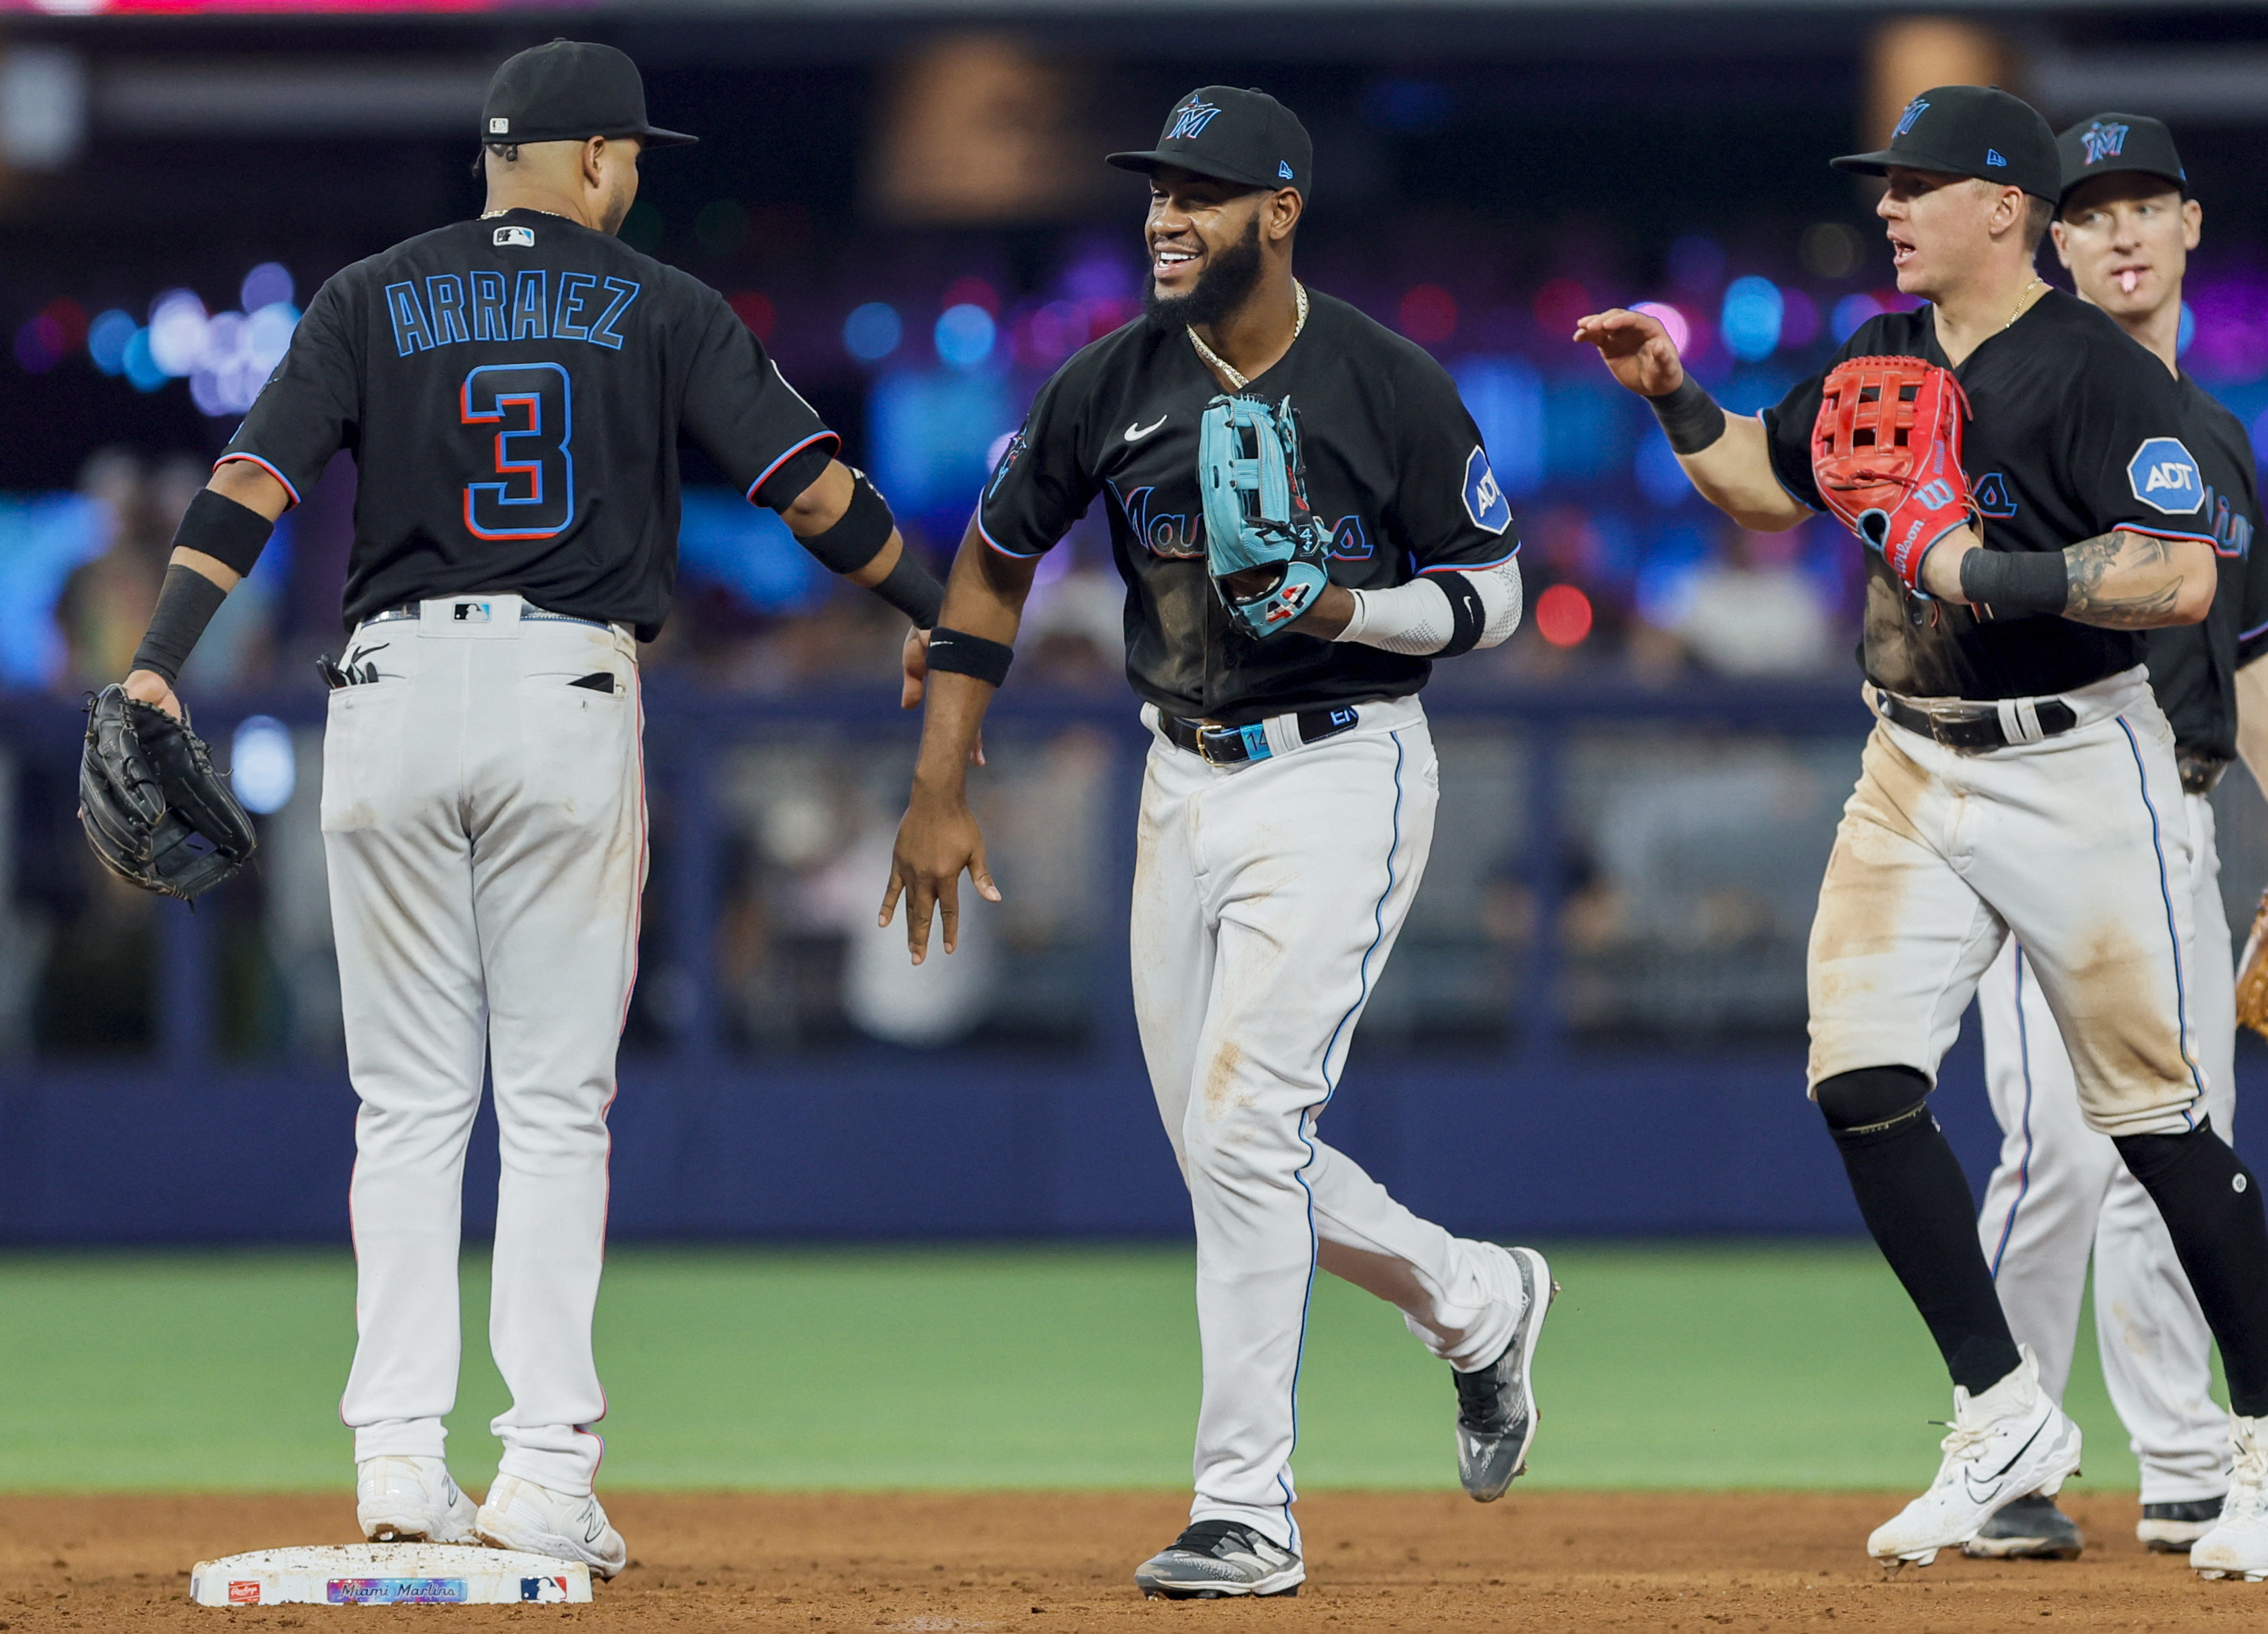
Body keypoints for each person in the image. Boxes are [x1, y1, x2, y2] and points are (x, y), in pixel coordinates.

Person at [115, 39, 945, 1577]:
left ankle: (395, 1458)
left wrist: (160, 662)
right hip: (563, 686)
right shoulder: (662, 302)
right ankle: (548, 1468)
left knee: (408, 1104)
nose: (631, 178)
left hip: (388, 694)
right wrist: (939, 604)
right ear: (589, 161)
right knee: (556, 1104)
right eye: (628, 157)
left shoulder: (368, 294)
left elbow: (251, 481)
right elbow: (811, 492)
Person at [1577, 84, 2268, 1582]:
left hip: (2077, 768)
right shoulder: (1878, 353)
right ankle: (2000, 1412)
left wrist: (1978, 565)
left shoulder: (2099, 376)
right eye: (1886, 183)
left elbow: (2178, 580)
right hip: (1911, 760)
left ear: (2003, 205)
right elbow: (1756, 476)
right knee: (1856, 1074)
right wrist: (1671, 394)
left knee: (2153, 1123)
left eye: (1916, 183)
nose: (1886, 206)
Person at [880, 86, 1550, 1600]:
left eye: (1202, 191)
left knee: (1247, 1135)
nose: (1166, 215)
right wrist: (938, 782)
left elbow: (1494, 589)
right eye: (1156, 191)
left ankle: (1244, 1505)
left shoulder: (1382, 380)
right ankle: (1475, 1297)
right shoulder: (1106, 382)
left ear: (1280, 211)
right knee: (1223, 1150)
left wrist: (1344, 610)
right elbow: (989, 567)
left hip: (1339, 765)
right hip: (1176, 778)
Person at [1965, 112, 2268, 1563]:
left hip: (2173, 814)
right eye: (2090, 210)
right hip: (2035, 801)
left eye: (2147, 205)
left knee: (2174, 1135)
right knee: (2054, 1151)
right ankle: (1998, 1434)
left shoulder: (2207, 434)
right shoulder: (2016, 398)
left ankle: (2186, 1458)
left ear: (2190, 226)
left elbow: (2253, 656)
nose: (2121, 230)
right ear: (2050, 242)